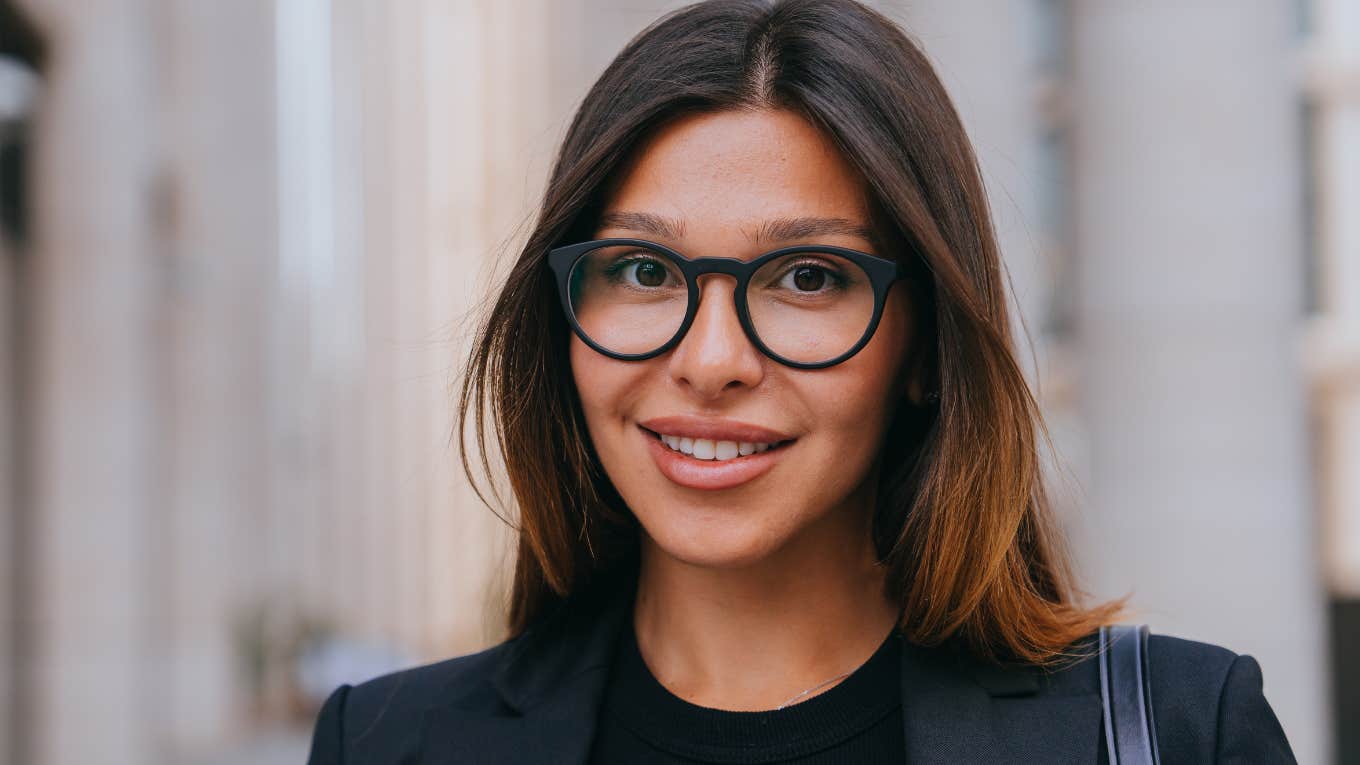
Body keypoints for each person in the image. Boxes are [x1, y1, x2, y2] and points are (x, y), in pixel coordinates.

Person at [306, 0, 1296, 762]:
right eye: (645, 272)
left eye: (807, 278)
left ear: (924, 348)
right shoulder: (394, 743)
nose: (710, 361)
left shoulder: (1177, 731)